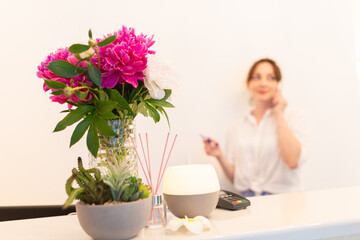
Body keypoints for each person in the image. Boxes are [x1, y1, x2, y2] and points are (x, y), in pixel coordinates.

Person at [203, 58, 308, 197]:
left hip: (284, 200)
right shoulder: (237, 126)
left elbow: (292, 161)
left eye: (271, 78)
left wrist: (279, 115)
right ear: (248, 84)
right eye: (257, 77)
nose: (263, 83)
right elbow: (237, 180)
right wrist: (219, 156)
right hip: (249, 201)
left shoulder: (293, 117)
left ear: (278, 85)